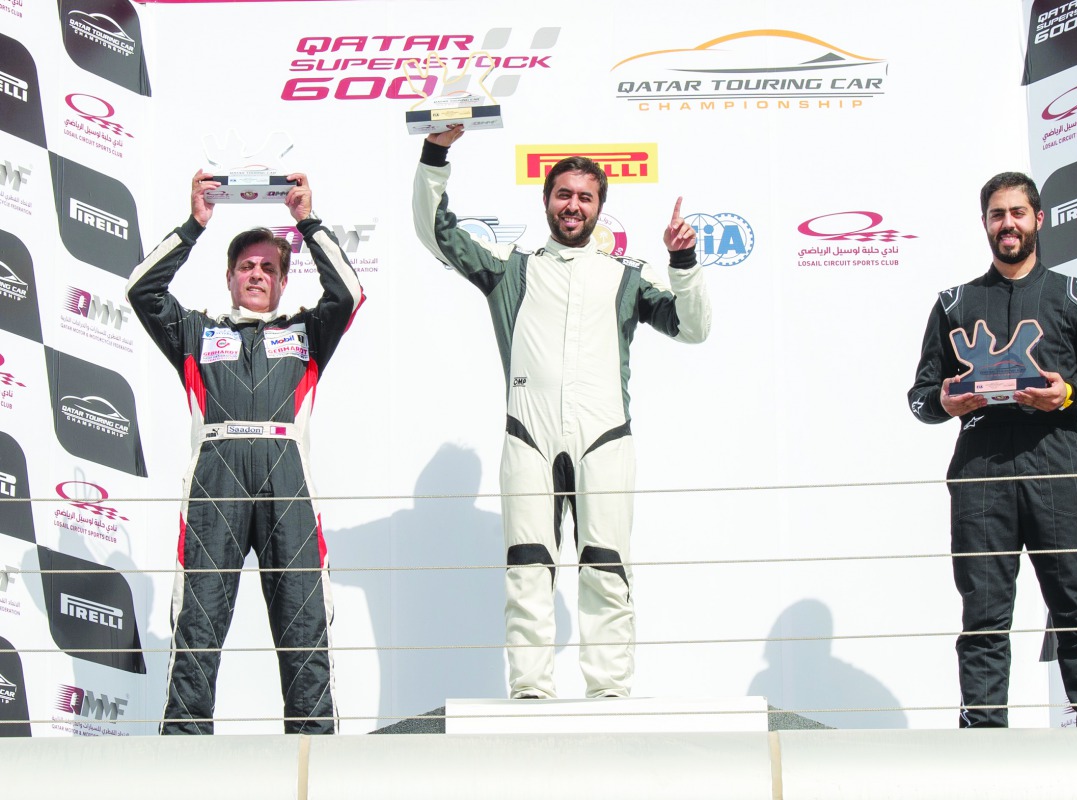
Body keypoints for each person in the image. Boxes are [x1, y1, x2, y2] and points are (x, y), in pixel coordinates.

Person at [412, 126, 711, 699]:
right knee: (527, 571)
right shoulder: (510, 268)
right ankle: (530, 692)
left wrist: (684, 260)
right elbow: (434, 231)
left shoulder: (628, 276)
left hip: (607, 439)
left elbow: (695, 328)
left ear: (600, 207)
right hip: (529, 436)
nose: (573, 205)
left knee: (607, 568)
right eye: (563, 194)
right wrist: (435, 154)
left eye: (585, 197)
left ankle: (610, 694)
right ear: (546, 200)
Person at [126, 170, 365, 734]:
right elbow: (142, 291)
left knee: (303, 621)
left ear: (283, 282)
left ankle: (314, 756)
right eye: (247, 266)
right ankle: (184, 751)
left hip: (287, 481)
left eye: (269, 269)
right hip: (216, 477)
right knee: (199, 619)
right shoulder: (194, 331)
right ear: (230, 275)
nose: (257, 275)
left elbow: (350, 293)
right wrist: (195, 225)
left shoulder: (308, 332)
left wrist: (307, 221)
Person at [907, 171, 1077, 728]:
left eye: (1017, 213)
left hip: (1055, 468)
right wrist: (946, 402)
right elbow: (918, 398)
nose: (1007, 224)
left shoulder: (1076, 295)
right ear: (985, 223)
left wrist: (1069, 395)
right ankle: (984, 742)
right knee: (983, 616)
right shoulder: (955, 302)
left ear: (1039, 218)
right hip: (980, 475)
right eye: (997, 215)